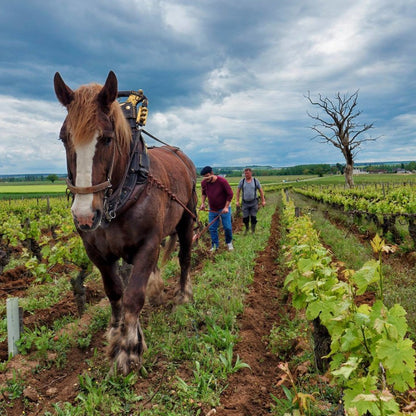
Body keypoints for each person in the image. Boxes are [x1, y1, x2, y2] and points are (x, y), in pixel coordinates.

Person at [199, 166, 234, 251]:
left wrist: (226, 207)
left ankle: (229, 243)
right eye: (204, 176)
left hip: (224, 209)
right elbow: (204, 193)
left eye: (207, 176)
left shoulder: (222, 181)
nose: (206, 178)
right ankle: (215, 245)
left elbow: (230, 194)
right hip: (213, 209)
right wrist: (203, 203)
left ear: (212, 173)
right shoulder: (204, 183)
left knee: (227, 227)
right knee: (212, 228)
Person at [236, 168, 266, 234]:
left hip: (254, 202)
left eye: (248, 173)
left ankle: (253, 230)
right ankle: (247, 228)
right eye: (245, 173)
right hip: (245, 203)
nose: (246, 175)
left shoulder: (255, 181)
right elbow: (238, 191)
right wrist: (237, 201)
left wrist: (263, 201)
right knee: (245, 218)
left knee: (253, 217)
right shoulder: (242, 181)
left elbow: (260, 191)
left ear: (251, 173)